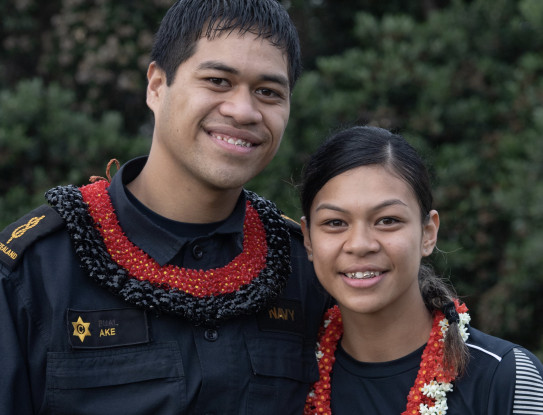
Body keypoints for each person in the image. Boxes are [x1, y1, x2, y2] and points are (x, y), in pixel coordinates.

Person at [0, 1, 331, 414]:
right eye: (217, 80)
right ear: (156, 85)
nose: (244, 111)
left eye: (268, 92)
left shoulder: (307, 267)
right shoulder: (34, 270)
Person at [299, 125, 543, 415]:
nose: (360, 245)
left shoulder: (506, 377)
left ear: (428, 232)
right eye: (335, 223)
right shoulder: (286, 375)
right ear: (308, 238)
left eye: (387, 220)